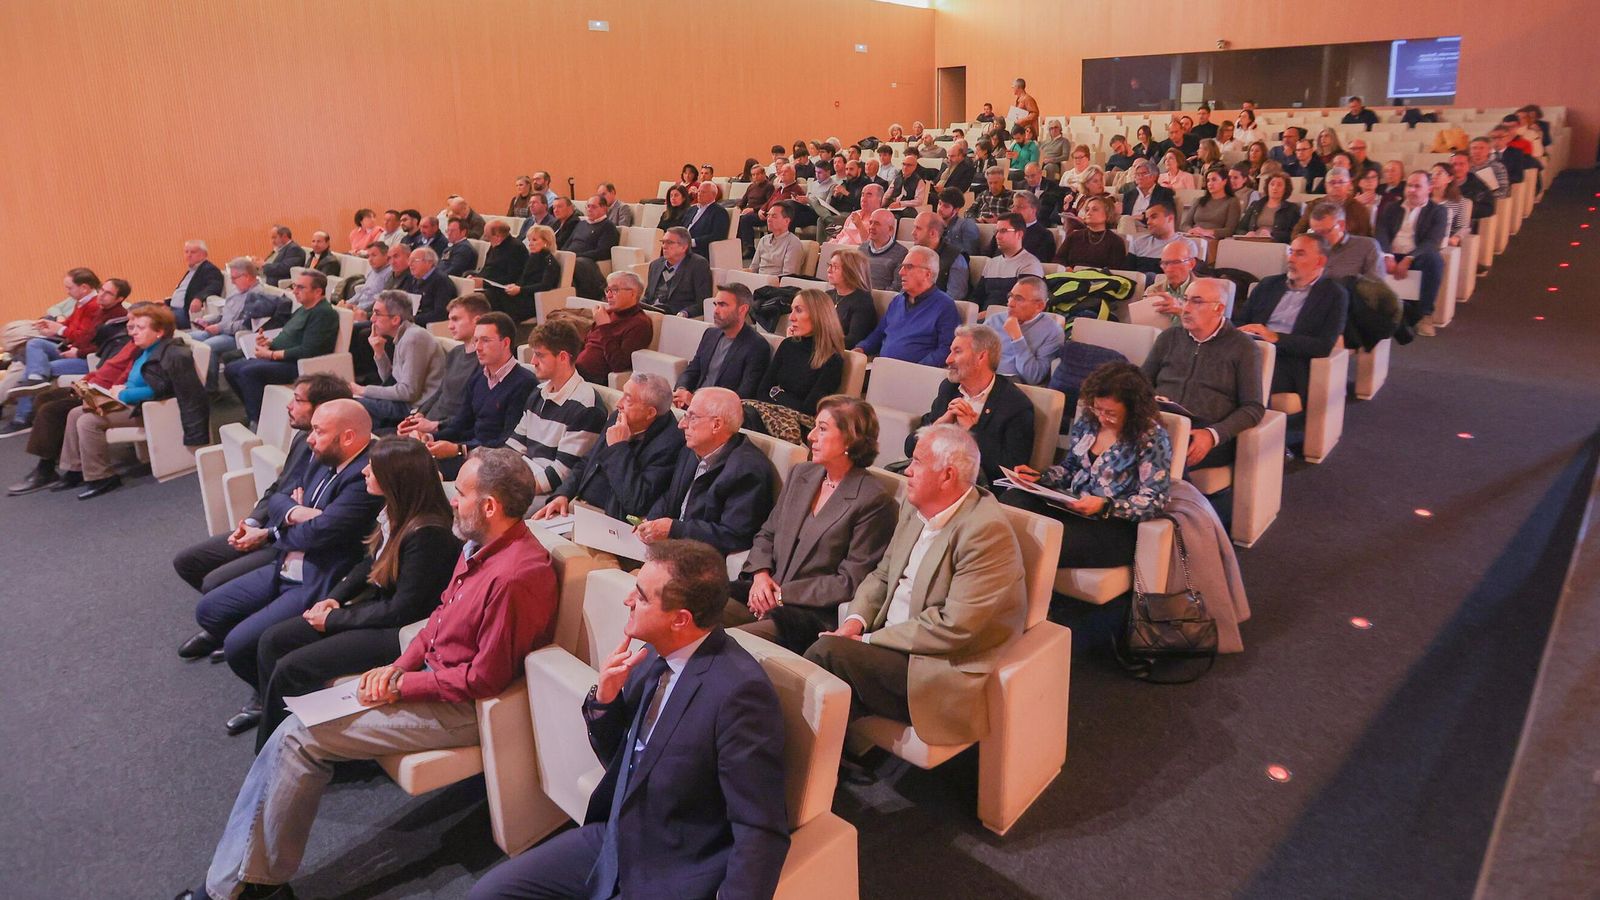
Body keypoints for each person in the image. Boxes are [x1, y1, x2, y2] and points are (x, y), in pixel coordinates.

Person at [177, 448, 557, 900]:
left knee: (300, 737)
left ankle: (249, 884)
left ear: (490, 507)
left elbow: (483, 681)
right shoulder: (479, 545)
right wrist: (397, 666)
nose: (453, 499)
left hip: (464, 707)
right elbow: (438, 618)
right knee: (291, 730)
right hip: (433, 681)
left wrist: (402, 685)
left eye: (463, 493)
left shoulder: (517, 575)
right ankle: (245, 878)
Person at [469, 539, 788, 900]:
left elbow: (760, 827)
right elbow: (622, 759)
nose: (628, 601)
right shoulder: (654, 654)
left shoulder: (740, 695)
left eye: (641, 596)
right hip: (615, 836)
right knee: (489, 893)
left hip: (675, 865)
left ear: (680, 619)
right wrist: (605, 699)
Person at [805, 424, 1024, 746]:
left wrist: (867, 640)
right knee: (817, 646)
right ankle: (813, 765)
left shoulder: (986, 533)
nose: (907, 470)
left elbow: (954, 627)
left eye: (918, 462)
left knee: (827, 655)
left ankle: (790, 770)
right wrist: (854, 623)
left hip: (935, 664)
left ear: (947, 476)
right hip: (889, 641)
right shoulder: (914, 503)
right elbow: (882, 574)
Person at [251, 436, 462, 747]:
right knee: (273, 640)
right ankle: (282, 727)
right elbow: (370, 562)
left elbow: (402, 611)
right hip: (380, 611)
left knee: (290, 667)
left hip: (400, 633)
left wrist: (335, 619)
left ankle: (276, 749)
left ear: (395, 477)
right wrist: (333, 597)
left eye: (373, 469)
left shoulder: (428, 533)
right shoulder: (396, 509)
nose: (364, 472)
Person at [188, 399, 381, 733]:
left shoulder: (365, 476)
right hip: (285, 559)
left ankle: (269, 697)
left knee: (239, 645)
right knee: (209, 610)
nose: (310, 438)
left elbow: (322, 534)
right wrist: (296, 513)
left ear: (347, 437)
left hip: (318, 576)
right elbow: (281, 496)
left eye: (319, 431)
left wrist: (293, 520)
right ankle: (269, 679)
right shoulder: (322, 456)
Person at [728, 395, 897, 654]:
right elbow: (767, 533)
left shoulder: (874, 501)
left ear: (850, 439)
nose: (810, 437)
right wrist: (761, 576)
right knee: (692, 610)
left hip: (807, 614)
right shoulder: (801, 474)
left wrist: (782, 595)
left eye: (823, 429)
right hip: (761, 593)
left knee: (730, 645)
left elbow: (849, 581)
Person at [170, 374, 351, 596]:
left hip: (289, 540)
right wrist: (251, 522)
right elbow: (278, 488)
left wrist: (267, 532)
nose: (289, 405)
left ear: (323, 408)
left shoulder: (340, 456)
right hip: (272, 525)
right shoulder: (303, 439)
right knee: (187, 561)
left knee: (214, 583)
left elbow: (316, 520)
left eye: (297, 400)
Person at [1003, 362, 1172, 565]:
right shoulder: (1089, 421)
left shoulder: (1151, 438)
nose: (1102, 417)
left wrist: (1105, 505)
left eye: (1110, 413)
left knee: (1041, 540)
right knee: (1013, 499)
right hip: (1072, 506)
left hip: (1112, 525)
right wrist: (1041, 477)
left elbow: (1154, 501)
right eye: (1097, 408)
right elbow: (1071, 467)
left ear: (1133, 410)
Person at [48, 304, 207, 500]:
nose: (134, 333)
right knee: (75, 413)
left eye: (140, 328)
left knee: (88, 421)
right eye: (133, 328)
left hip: (147, 409)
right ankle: (74, 469)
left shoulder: (172, 354)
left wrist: (123, 394)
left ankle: (102, 477)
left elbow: (161, 390)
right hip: (131, 403)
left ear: (159, 332)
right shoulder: (145, 349)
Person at [1141, 278, 1265, 471]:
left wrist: (1212, 434)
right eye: (1185, 299)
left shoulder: (1243, 348)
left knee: (1153, 457)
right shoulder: (1169, 337)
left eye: (1196, 302)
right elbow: (1141, 384)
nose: (1186, 308)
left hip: (1202, 432)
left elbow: (1253, 408)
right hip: (1160, 422)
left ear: (1219, 308)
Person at [636, 388, 776, 556]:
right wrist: (652, 521)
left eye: (691, 417)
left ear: (716, 424)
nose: (682, 424)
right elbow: (671, 495)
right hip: (670, 547)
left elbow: (733, 537)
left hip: (699, 561)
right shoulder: (692, 449)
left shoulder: (748, 470)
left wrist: (674, 529)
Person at [401, 312, 538, 480]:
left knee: (411, 469)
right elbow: (460, 424)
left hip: (494, 463)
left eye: (485, 340)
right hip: (470, 451)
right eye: (476, 340)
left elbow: (508, 442)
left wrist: (459, 449)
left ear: (506, 343)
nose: (478, 347)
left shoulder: (524, 383)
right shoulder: (478, 378)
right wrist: (429, 437)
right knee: (403, 456)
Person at [533, 372, 685, 523]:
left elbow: (636, 503)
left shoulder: (670, 445)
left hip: (611, 520)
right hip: (577, 504)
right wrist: (563, 494)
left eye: (628, 399)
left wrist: (618, 447)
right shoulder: (618, 417)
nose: (619, 403)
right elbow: (587, 461)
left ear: (650, 412)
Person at [906, 324, 1034, 483]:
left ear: (981, 357)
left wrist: (972, 432)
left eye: (957, 351)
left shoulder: (1015, 405)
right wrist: (937, 427)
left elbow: (1010, 472)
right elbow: (909, 448)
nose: (948, 359)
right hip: (935, 476)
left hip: (978, 486)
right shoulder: (949, 388)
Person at [4, 275, 128, 433]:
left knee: (38, 366)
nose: (101, 294)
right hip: (72, 348)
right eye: (102, 289)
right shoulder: (98, 309)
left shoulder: (114, 317)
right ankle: (35, 380)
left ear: (119, 299)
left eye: (108, 293)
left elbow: (100, 347)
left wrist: (75, 349)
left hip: (87, 359)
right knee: (34, 345)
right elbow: (80, 333)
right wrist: (56, 329)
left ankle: (22, 417)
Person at [1236, 234, 1349, 402]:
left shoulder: (1334, 295)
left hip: (1289, 361)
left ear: (1320, 261)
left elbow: (1323, 346)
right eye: (1290, 252)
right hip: (1251, 349)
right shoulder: (1268, 284)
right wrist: (1242, 330)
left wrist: (1276, 338)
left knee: (1244, 377)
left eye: (1300, 254)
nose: (1291, 258)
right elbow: (1239, 321)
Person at [224, 270, 339, 427]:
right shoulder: (302, 309)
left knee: (248, 372)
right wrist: (269, 343)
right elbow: (288, 335)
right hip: (282, 358)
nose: (295, 291)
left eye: (301, 287)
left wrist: (271, 354)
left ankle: (258, 422)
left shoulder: (323, 313)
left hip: (299, 365)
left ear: (318, 291)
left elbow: (309, 350)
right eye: (294, 286)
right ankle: (255, 411)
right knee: (231, 368)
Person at [505, 320, 606, 499]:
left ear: (563, 358)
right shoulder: (538, 392)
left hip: (547, 495)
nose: (533, 361)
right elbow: (513, 447)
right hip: (523, 482)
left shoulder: (586, 406)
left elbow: (561, 474)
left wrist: (509, 492)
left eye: (540, 355)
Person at [742, 288, 846, 440]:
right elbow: (762, 390)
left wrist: (776, 392)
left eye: (798, 310)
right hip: (766, 413)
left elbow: (808, 409)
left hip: (797, 425)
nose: (791, 317)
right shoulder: (788, 345)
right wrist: (779, 395)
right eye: (792, 310)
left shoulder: (832, 360)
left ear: (818, 315)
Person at [351, 291, 444, 428]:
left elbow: (408, 392)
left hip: (413, 409)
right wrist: (379, 352)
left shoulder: (413, 338)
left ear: (395, 319)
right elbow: (390, 380)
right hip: (402, 403)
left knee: (349, 404)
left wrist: (363, 390)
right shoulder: (404, 335)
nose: (372, 319)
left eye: (377, 313)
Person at [856, 246, 958, 366]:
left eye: (909, 267)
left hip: (916, 376)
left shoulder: (945, 306)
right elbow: (878, 334)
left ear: (927, 274)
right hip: (882, 369)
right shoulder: (897, 301)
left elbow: (946, 349)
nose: (901, 272)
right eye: (902, 267)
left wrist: (915, 369)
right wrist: (861, 348)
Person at [1376, 171, 1449, 336]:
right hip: (1392, 254)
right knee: (1366, 255)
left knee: (1434, 260)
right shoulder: (1392, 207)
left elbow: (1432, 241)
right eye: (1409, 185)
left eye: (1417, 186)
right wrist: (1387, 256)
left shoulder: (1437, 211)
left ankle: (1425, 315)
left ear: (1429, 188)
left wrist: (1409, 258)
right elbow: (1381, 233)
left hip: (1417, 256)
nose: (1412, 190)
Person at [674, 284, 771, 404]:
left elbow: (744, 395)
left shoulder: (757, 346)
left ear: (742, 310)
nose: (716, 311)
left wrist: (697, 401)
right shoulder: (710, 334)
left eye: (722, 305)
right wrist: (682, 390)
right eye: (715, 304)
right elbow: (693, 369)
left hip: (719, 410)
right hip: (692, 402)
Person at [413, 293, 490, 425]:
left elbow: (469, 413)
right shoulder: (455, 353)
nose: (450, 326)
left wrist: (433, 428)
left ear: (477, 321)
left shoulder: (485, 361)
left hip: (445, 430)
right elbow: (441, 391)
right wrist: (420, 413)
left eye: (455, 319)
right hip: (428, 422)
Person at [576, 271, 653, 385]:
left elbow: (619, 364)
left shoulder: (640, 323)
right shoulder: (609, 313)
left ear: (632, 294)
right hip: (577, 370)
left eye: (615, 290)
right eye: (608, 290)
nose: (609, 295)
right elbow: (588, 343)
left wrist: (604, 327)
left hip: (595, 379)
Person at [983, 275, 1061, 386]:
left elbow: (1033, 377)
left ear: (1039, 306)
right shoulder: (994, 320)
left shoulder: (1052, 332)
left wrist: (1017, 337)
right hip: (982, 377)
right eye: (1010, 296)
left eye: (1019, 299)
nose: (1010, 303)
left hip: (1012, 386)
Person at [974, 212, 1045, 308]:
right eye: (997, 231)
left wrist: (982, 316)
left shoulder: (1030, 264)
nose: (997, 236)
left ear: (1019, 234)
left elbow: (1020, 304)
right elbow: (977, 297)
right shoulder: (992, 263)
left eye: (1003, 231)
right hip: (984, 318)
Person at [492, 224, 559, 321]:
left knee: (500, 302)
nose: (530, 243)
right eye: (529, 240)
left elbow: (545, 285)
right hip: (522, 295)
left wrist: (520, 289)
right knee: (493, 294)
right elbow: (523, 279)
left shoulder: (549, 261)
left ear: (546, 242)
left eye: (534, 240)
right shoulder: (532, 257)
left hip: (533, 300)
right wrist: (514, 286)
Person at [643, 226, 713, 317]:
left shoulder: (698, 265)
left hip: (674, 315)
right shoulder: (655, 264)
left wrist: (685, 313)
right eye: (663, 242)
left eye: (669, 243)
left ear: (684, 247)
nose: (664, 246)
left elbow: (703, 301)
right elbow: (648, 296)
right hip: (652, 312)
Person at [1305, 201, 1384, 282]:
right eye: (1315, 232)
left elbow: (1375, 286)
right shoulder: (1308, 248)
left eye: (1325, 231)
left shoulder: (1367, 246)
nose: (1320, 237)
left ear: (1342, 225)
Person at [563, 195, 621, 299]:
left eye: (593, 207)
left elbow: (603, 251)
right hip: (572, 256)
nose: (589, 210)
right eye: (588, 206)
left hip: (586, 259)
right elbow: (568, 243)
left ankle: (594, 296)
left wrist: (575, 256)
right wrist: (562, 254)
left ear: (604, 208)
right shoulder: (581, 224)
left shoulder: (607, 226)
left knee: (579, 262)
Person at [1291, 167, 1373, 238]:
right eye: (1332, 182)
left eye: (1341, 182)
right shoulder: (1313, 206)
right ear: (1326, 186)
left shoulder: (1359, 209)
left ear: (1349, 185)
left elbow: (1366, 237)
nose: (1336, 186)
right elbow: (1297, 233)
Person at [825, 246, 879, 349]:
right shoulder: (827, 295)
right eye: (829, 265)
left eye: (835, 267)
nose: (829, 270)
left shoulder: (862, 301)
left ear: (850, 271)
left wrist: (819, 340)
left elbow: (853, 340)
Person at [471, 220, 530, 314]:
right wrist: (476, 277)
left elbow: (513, 277)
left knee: (481, 298)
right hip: (489, 284)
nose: (486, 239)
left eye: (488, 236)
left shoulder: (516, 248)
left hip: (505, 291)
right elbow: (487, 268)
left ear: (498, 236)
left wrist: (484, 283)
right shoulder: (494, 245)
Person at [1055, 196, 1128, 269]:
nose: (1089, 213)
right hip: (1070, 276)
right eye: (1087, 210)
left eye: (1095, 209)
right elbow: (1059, 259)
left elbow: (1115, 269)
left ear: (1107, 214)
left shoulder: (1115, 241)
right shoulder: (1074, 236)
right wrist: (1066, 268)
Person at [913, 211, 970, 302]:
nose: (913, 233)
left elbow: (954, 296)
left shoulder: (955, 258)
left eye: (918, 228)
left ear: (932, 233)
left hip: (937, 310)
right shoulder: (914, 253)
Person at [1126, 203, 1195, 274]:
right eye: (1147, 219)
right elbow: (1128, 274)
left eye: (1154, 217)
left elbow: (1187, 277)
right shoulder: (1138, 243)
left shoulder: (1187, 245)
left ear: (1170, 219)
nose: (1148, 222)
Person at [1144, 241, 1202, 325]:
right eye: (1165, 263)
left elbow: (1212, 327)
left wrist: (1182, 311)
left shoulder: (1206, 291)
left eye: (1176, 262)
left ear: (1191, 264)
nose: (1169, 269)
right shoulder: (1153, 291)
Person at [402, 245, 459, 326]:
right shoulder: (412, 277)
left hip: (427, 325)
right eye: (409, 260)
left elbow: (441, 313)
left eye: (415, 260)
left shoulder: (441, 281)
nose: (410, 264)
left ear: (429, 262)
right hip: (412, 321)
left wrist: (413, 319)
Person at [1236, 172, 1300, 243]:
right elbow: (1240, 228)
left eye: (1279, 185)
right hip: (1252, 242)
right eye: (1272, 184)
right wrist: (1246, 234)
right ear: (1267, 186)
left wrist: (1272, 235)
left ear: (1285, 189)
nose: (1274, 187)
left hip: (1275, 244)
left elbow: (1294, 233)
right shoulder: (1255, 205)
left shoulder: (1292, 209)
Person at [1181, 166, 1240, 238]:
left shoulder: (1232, 202)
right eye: (1208, 180)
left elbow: (1230, 230)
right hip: (1193, 236)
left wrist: (1207, 232)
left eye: (1214, 180)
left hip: (1212, 239)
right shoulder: (1199, 200)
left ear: (1224, 181)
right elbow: (1185, 224)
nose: (1210, 183)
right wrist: (1191, 230)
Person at [750, 200, 804, 276]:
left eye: (774, 216)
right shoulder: (763, 240)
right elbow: (753, 268)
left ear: (786, 221)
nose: (769, 219)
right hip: (758, 280)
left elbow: (788, 276)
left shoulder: (793, 242)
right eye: (768, 215)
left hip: (776, 284)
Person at [1122, 159, 1176, 226]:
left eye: (1143, 174)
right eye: (1137, 174)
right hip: (1130, 227)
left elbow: (1166, 215)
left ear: (1154, 176)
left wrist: (1143, 217)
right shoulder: (1129, 195)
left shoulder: (1164, 193)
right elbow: (1124, 217)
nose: (1139, 177)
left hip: (1152, 229)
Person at [685, 181, 730, 259]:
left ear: (713, 195)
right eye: (698, 191)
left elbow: (718, 235)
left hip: (700, 249)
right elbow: (682, 227)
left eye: (703, 192)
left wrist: (693, 242)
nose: (699, 194)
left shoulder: (719, 212)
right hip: (682, 245)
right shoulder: (691, 209)